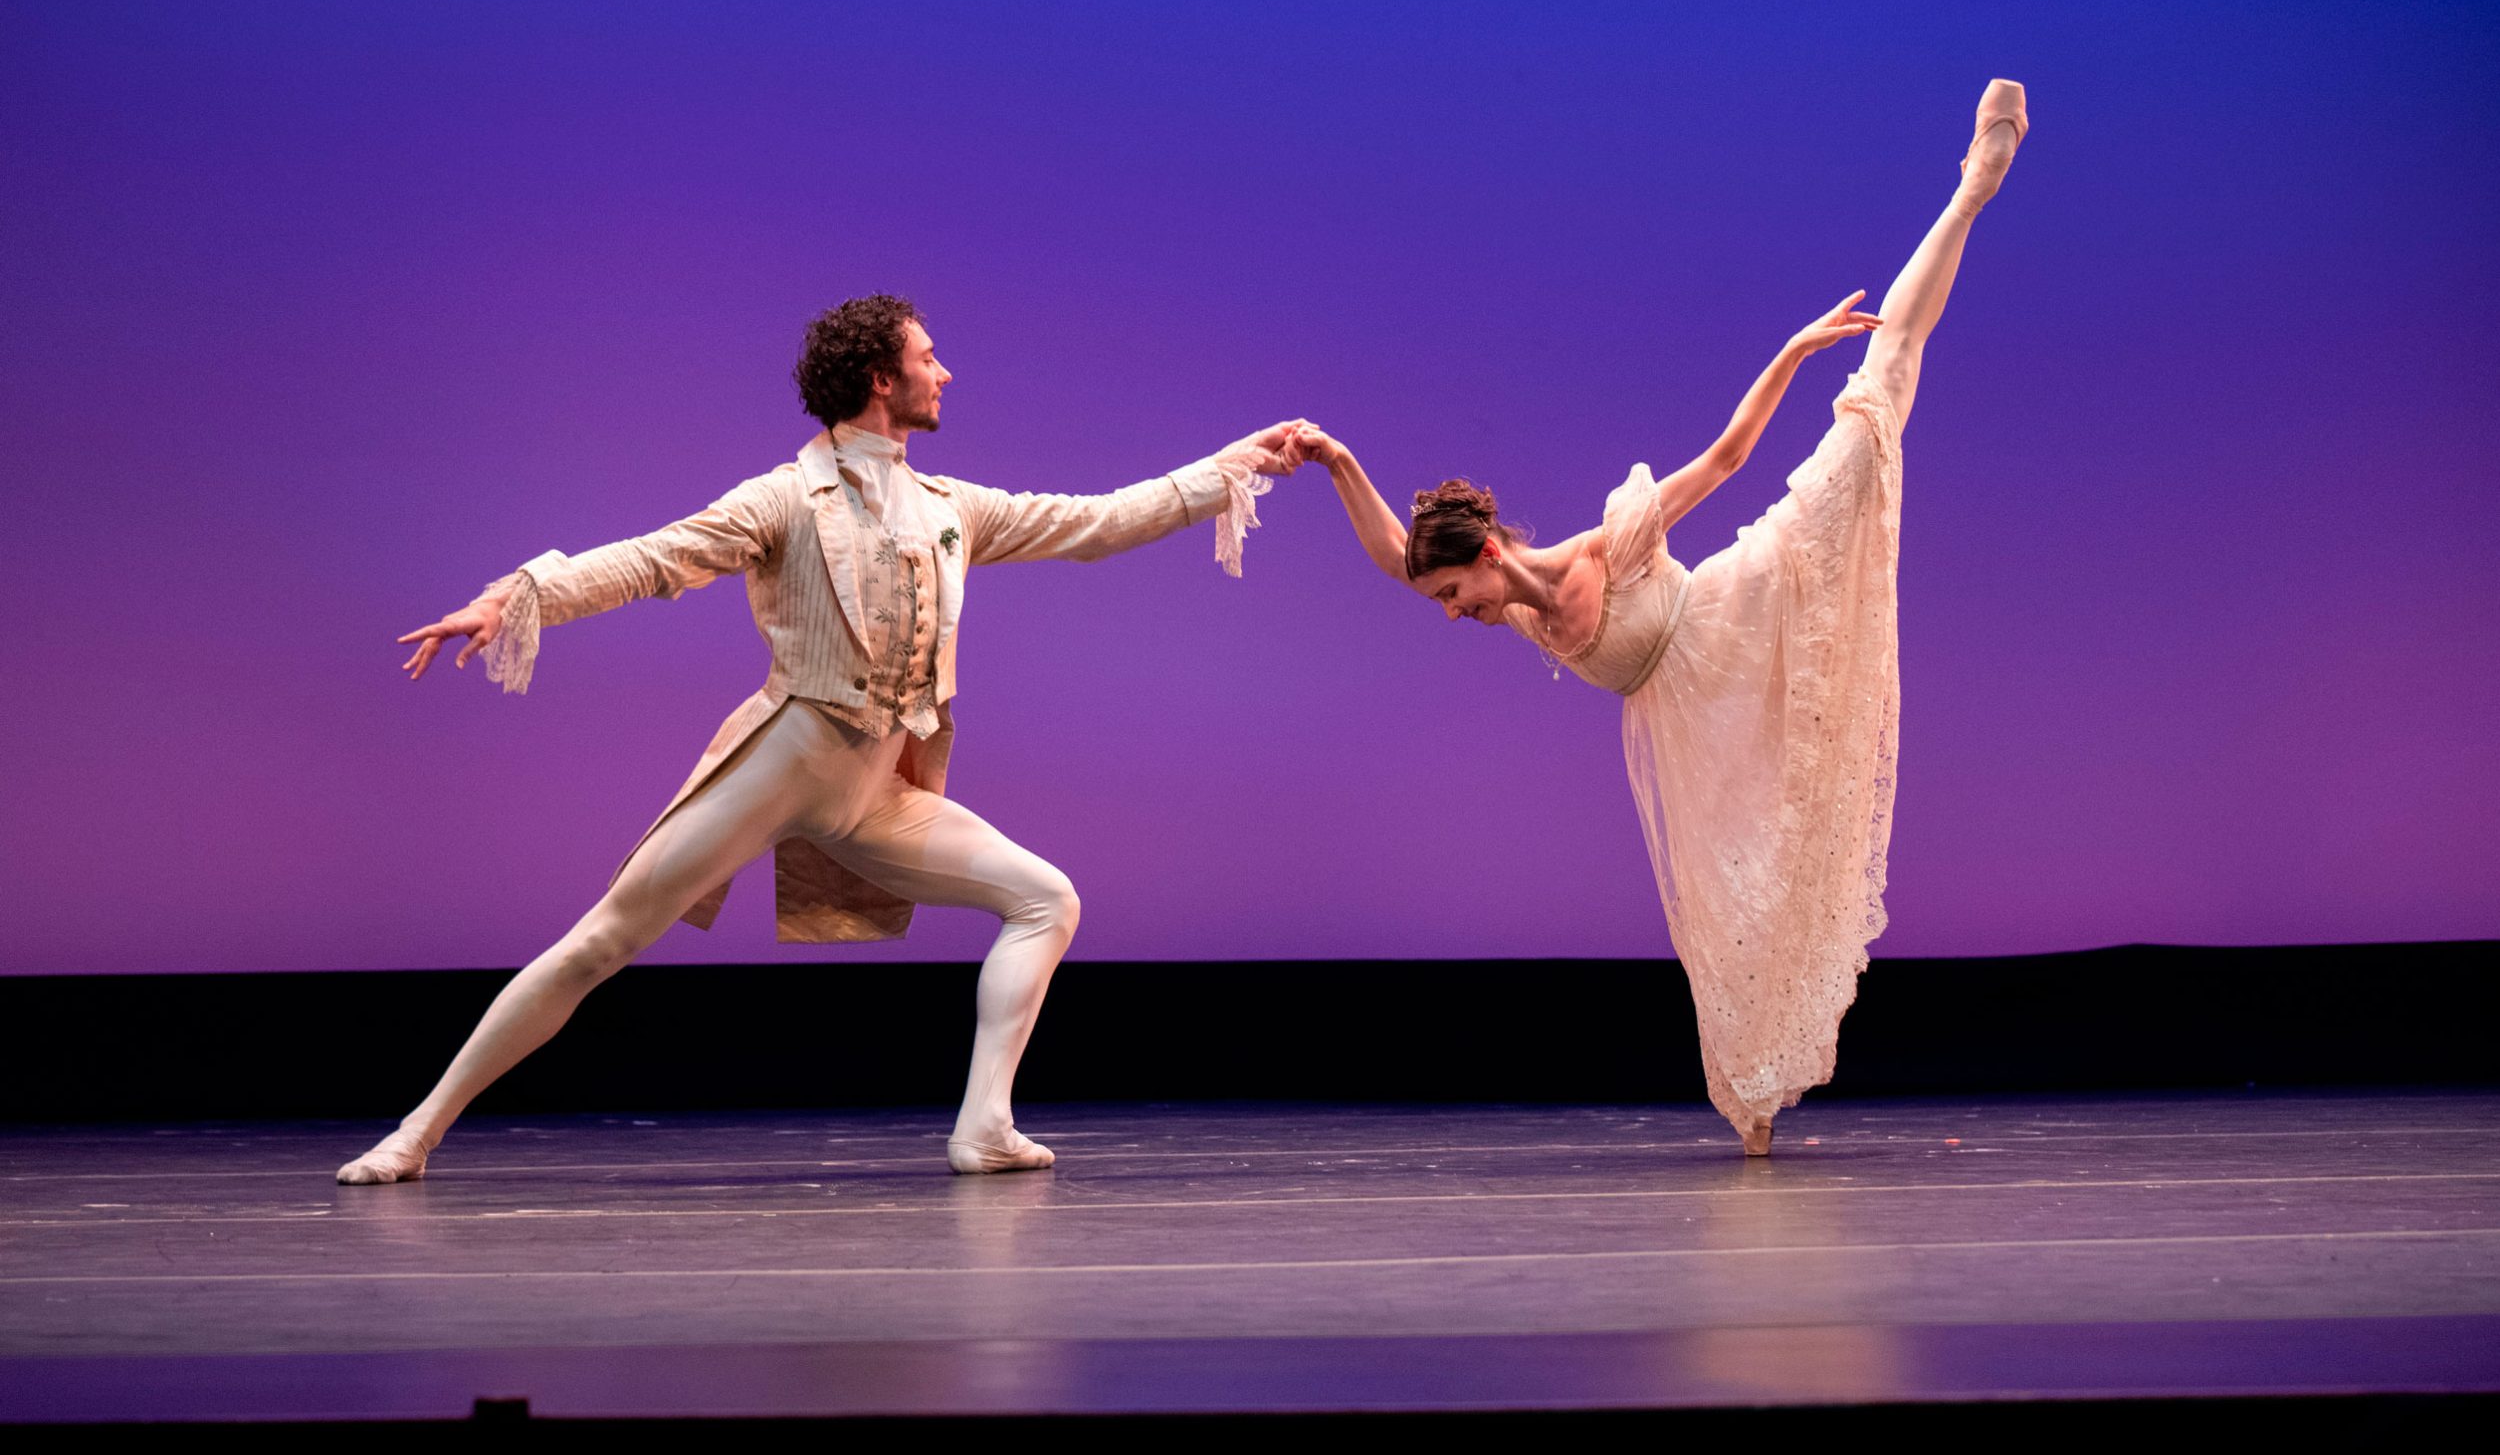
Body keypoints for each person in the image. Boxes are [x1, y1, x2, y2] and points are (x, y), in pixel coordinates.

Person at [339, 296, 1306, 1183]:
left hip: (876, 789)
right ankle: (416, 1132)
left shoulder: (949, 507)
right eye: (929, 357)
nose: (945, 372)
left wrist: (1225, 468)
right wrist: (517, 595)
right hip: (789, 758)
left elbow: (1094, 522)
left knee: (1046, 899)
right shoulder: (784, 498)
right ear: (882, 378)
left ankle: (983, 1126)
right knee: (603, 941)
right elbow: (654, 558)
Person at [1294, 81, 2029, 1154]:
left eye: (1455, 594)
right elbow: (1391, 557)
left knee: (1877, 395)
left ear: (1489, 555)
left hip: (1743, 609)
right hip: (1692, 723)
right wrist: (1339, 462)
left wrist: (1794, 349)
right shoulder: (1515, 613)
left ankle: (1970, 189)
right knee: (1736, 903)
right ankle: (1758, 1097)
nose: (1451, 614)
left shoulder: (1610, 546)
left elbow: (1726, 458)